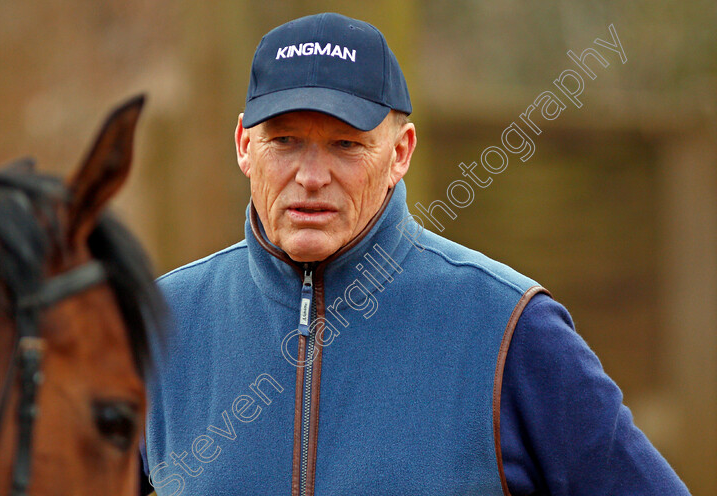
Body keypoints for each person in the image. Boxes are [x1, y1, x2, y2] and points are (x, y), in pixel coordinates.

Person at [142, 12, 689, 496]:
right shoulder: (158, 326)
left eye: (346, 145)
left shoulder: (511, 330)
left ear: (400, 153)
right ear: (243, 145)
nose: (310, 177)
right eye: (283, 142)